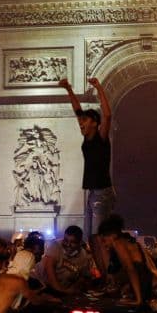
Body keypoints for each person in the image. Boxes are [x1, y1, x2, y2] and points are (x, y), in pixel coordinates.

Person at [58, 76, 113, 237]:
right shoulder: (87, 138)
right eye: (80, 121)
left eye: (85, 120)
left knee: (96, 238)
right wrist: (68, 88)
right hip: (94, 192)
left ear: (95, 123)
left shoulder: (101, 138)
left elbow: (108, 116)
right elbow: (77, 110)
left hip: (102, 193)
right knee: (92, 236)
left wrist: (99, 87)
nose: (80, 123)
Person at [31, 225, 93, 295]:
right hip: (39, 282)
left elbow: (83, 276)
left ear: (80, 242)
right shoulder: (55, 246)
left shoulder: (83, 255)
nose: (68, 245)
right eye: (66, 240)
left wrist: (75, 287)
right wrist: (61, 290)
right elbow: (49, 270)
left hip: (58, 288)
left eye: (73, 242)